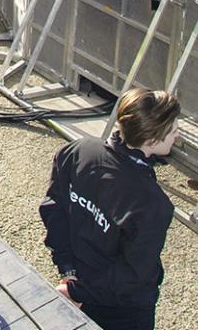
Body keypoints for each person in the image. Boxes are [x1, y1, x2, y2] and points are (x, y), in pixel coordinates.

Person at [40, 87, 182, 329]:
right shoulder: (152, 204)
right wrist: (76, 291)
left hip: (80, 278)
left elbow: (54, 210)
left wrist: (68, 271)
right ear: (151, 139)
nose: (178, 134)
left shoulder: (77, 151)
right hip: (122, 309)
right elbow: (133, 275)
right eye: (173, 130)